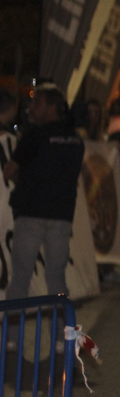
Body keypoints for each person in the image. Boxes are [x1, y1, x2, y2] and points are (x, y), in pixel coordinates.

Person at [2, 80, 84, 307]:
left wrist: (27, 180)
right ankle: (61, 338)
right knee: (57, 278)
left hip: (31, 213)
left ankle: (11, 339)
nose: (31, 108)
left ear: (52, 107)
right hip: (61, 216)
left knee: (21, 277)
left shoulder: (35, 136)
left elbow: (9, 171)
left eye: (37, 103)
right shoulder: (76, 139)